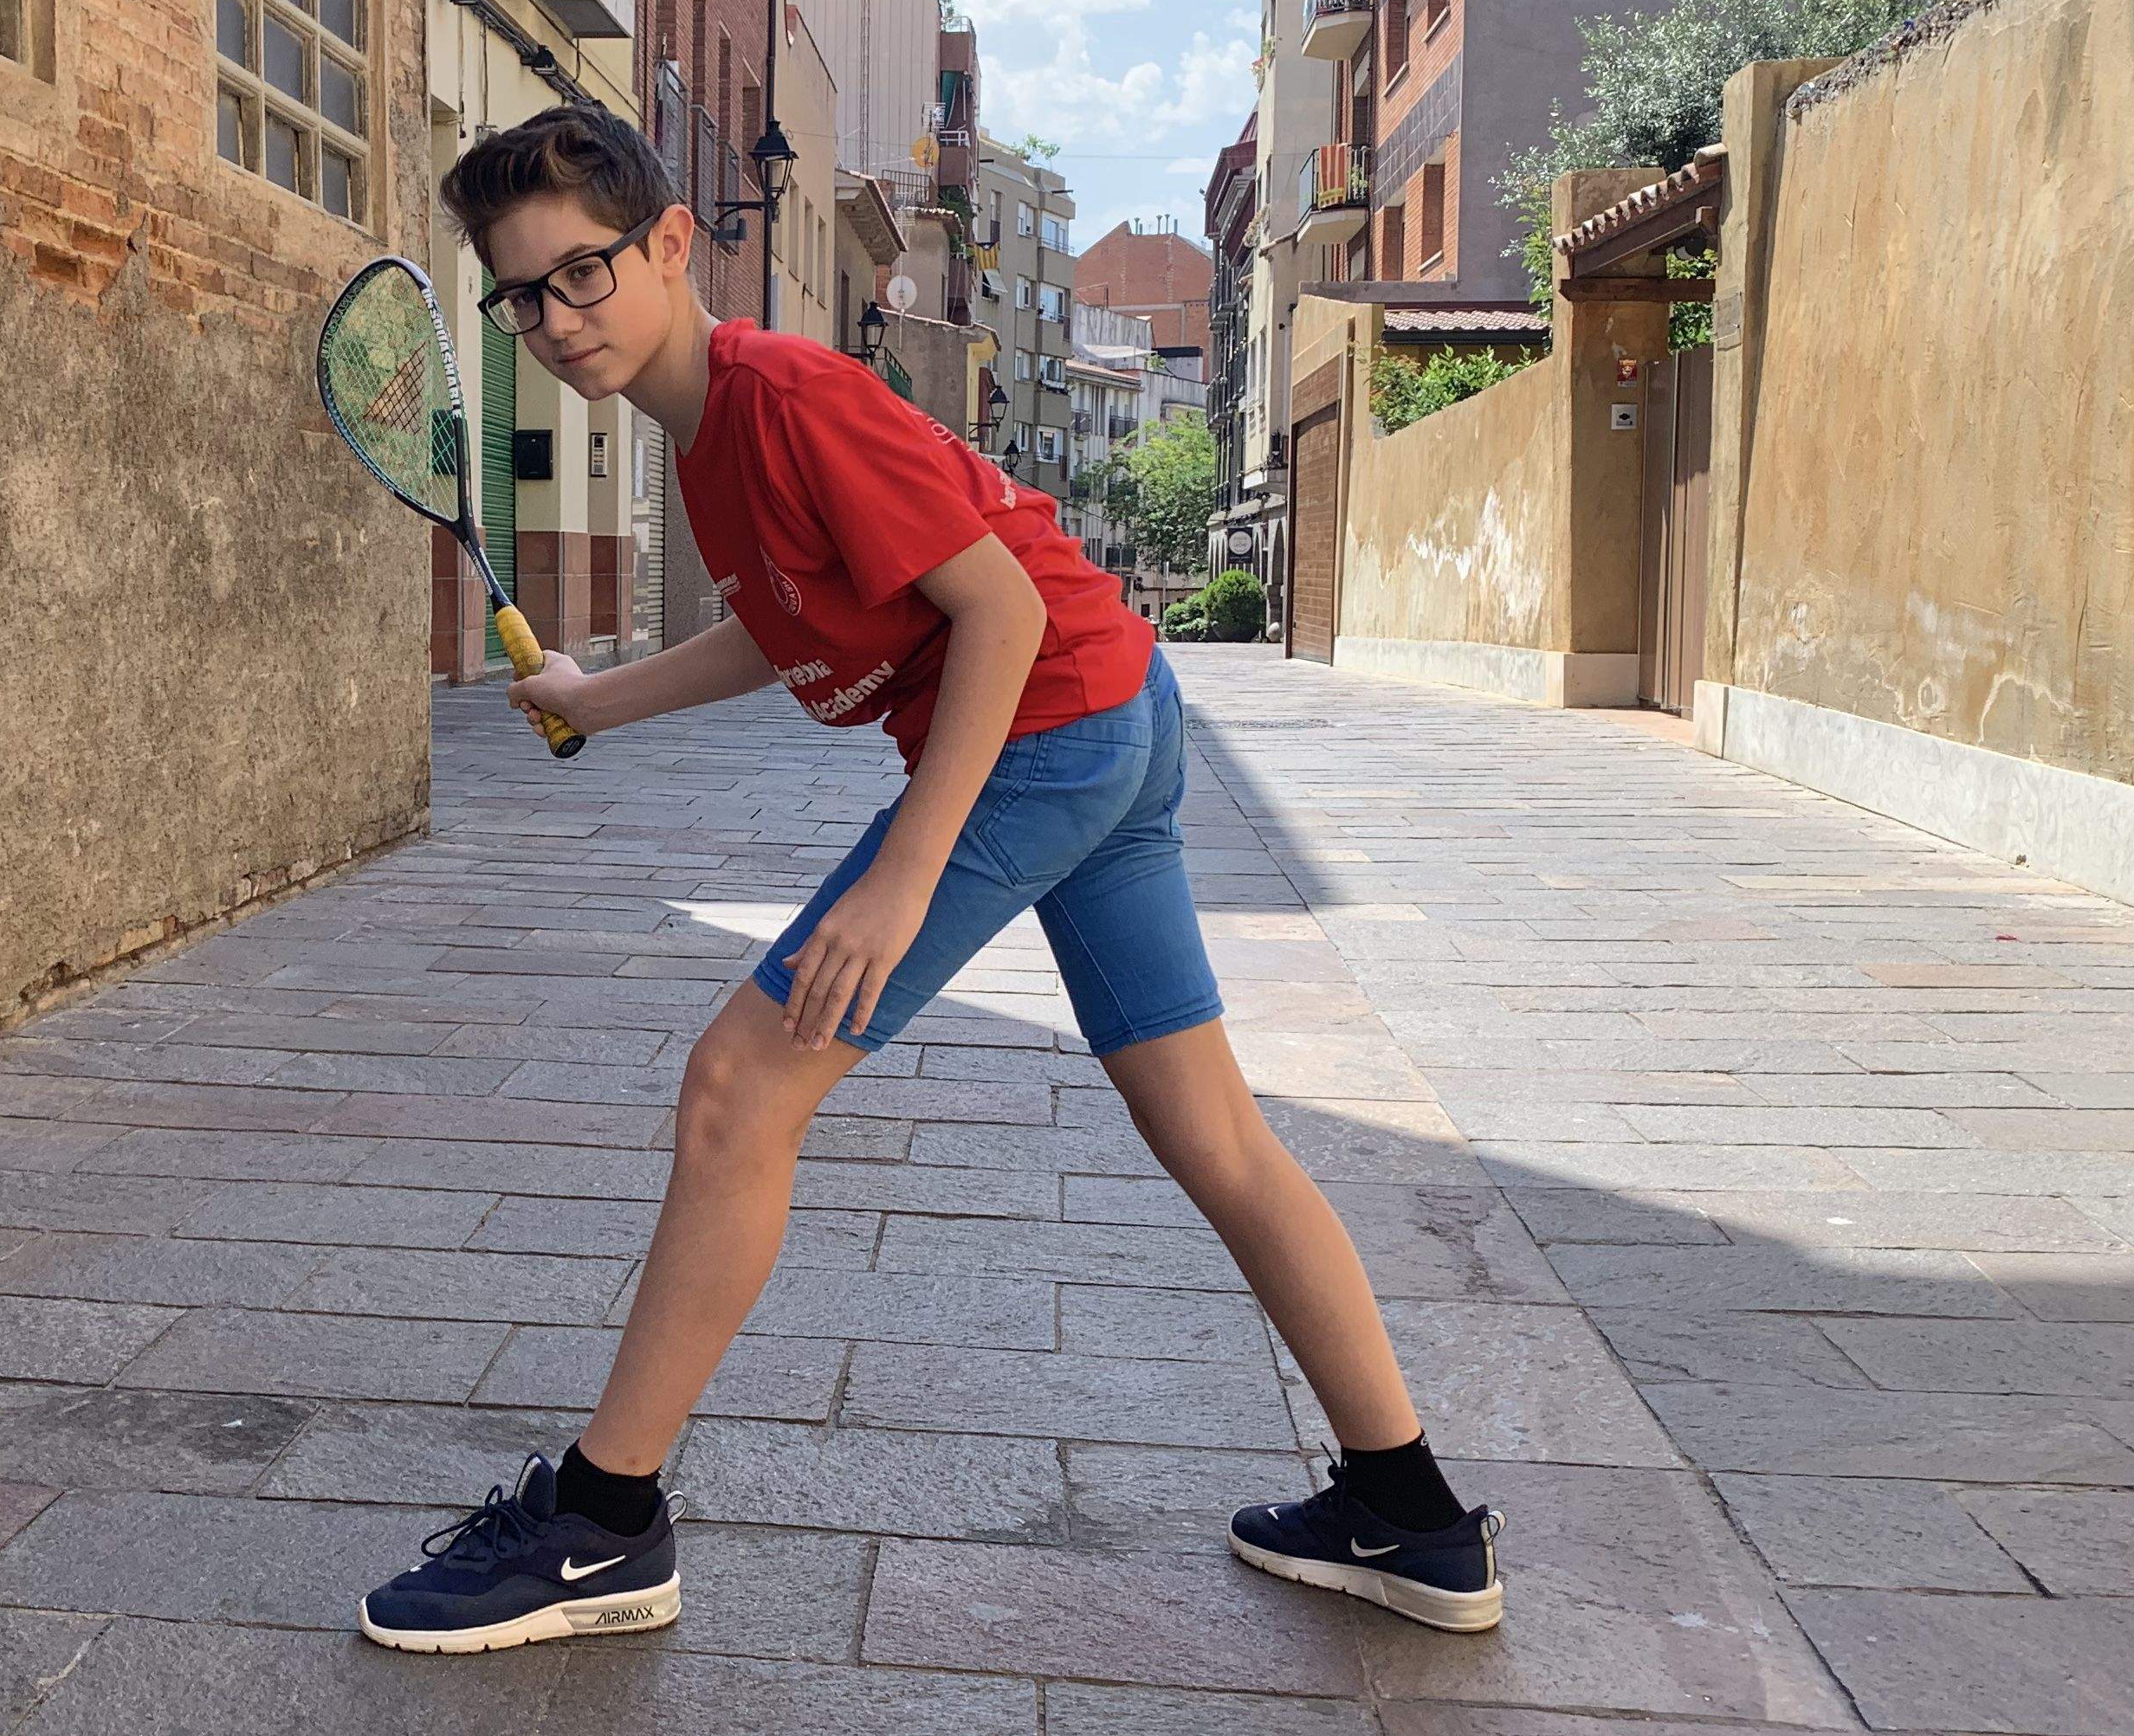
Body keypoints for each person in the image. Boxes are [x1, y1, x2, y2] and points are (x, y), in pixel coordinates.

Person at [357, 106, 1500, 1654]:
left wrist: (904, 875)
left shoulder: (787, 395)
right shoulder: (713, 437)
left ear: (673, 246)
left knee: (737, 1088)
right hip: (1121, 713)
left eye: (585, 273)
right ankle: (1408, 1508)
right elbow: (796, 622)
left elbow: (999, 614)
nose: (557, 321)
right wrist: (596, 692)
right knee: (1213, 1135)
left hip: (1059, 722)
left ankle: (601, 1523)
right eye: (522, 295)